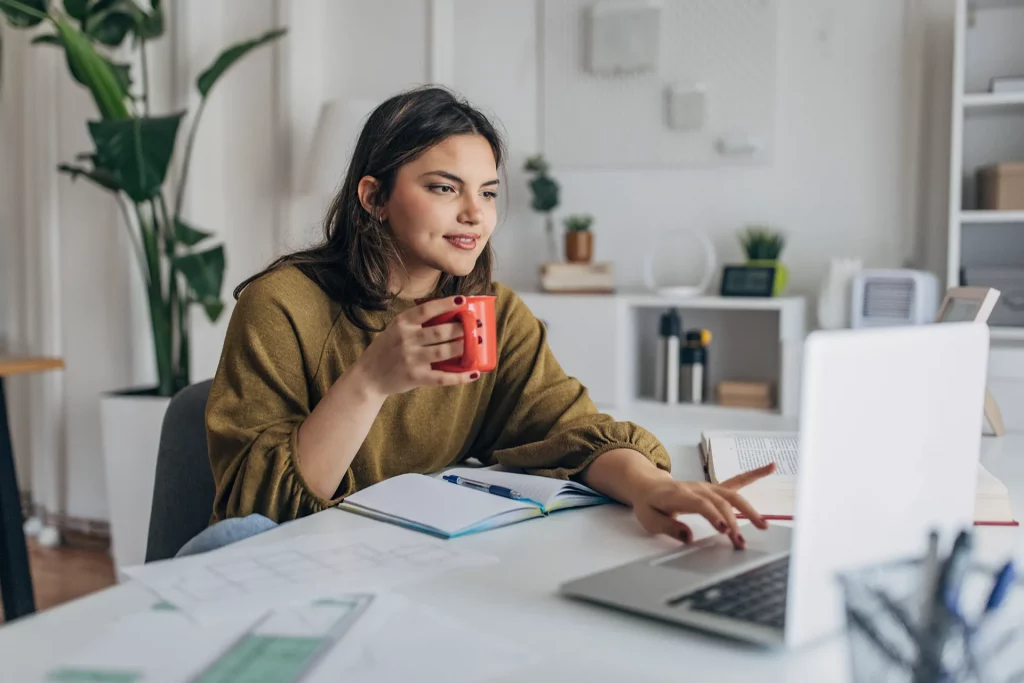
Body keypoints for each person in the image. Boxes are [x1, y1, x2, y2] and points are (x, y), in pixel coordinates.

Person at [180, 86, 775, 558]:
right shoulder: (281, 305)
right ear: (373, 197)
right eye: (444, 188)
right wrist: (369, 382)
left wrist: (652, 488)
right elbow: (254, 516)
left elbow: (568, 428)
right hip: (288, 572)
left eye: (488, 193)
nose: (475, 214)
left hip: (415, 568)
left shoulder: (494, 315)